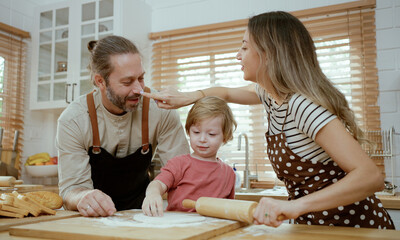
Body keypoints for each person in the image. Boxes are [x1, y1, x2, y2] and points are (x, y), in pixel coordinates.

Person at [140, 11, 395, 229]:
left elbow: (370, 176)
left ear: (269, 54)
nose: (237, 55)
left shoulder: (302, 106)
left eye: (244, 47)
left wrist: (295, 206)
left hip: (352, 225)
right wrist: (187, 97)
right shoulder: (271, 96)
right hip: (313, 224)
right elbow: (226, 93)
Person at [56, 35, 190, 217]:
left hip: (144, 214)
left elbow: (180, 175)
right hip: (93, 220)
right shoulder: (73, 120)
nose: (138, 89)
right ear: (100, 81)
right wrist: (83, 196)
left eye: (141, 78)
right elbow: (70, 190)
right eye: (127, 82)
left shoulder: (161, 111)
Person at [141, 96, 237, 217]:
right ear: (188, 131)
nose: (202, 139)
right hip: (179, 228)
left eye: (211, 134)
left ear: (225, 137)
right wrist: (153, 194)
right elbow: (158, 184)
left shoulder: (228, 174)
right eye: (196, 132)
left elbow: (229, 210)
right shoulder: (178, 164)